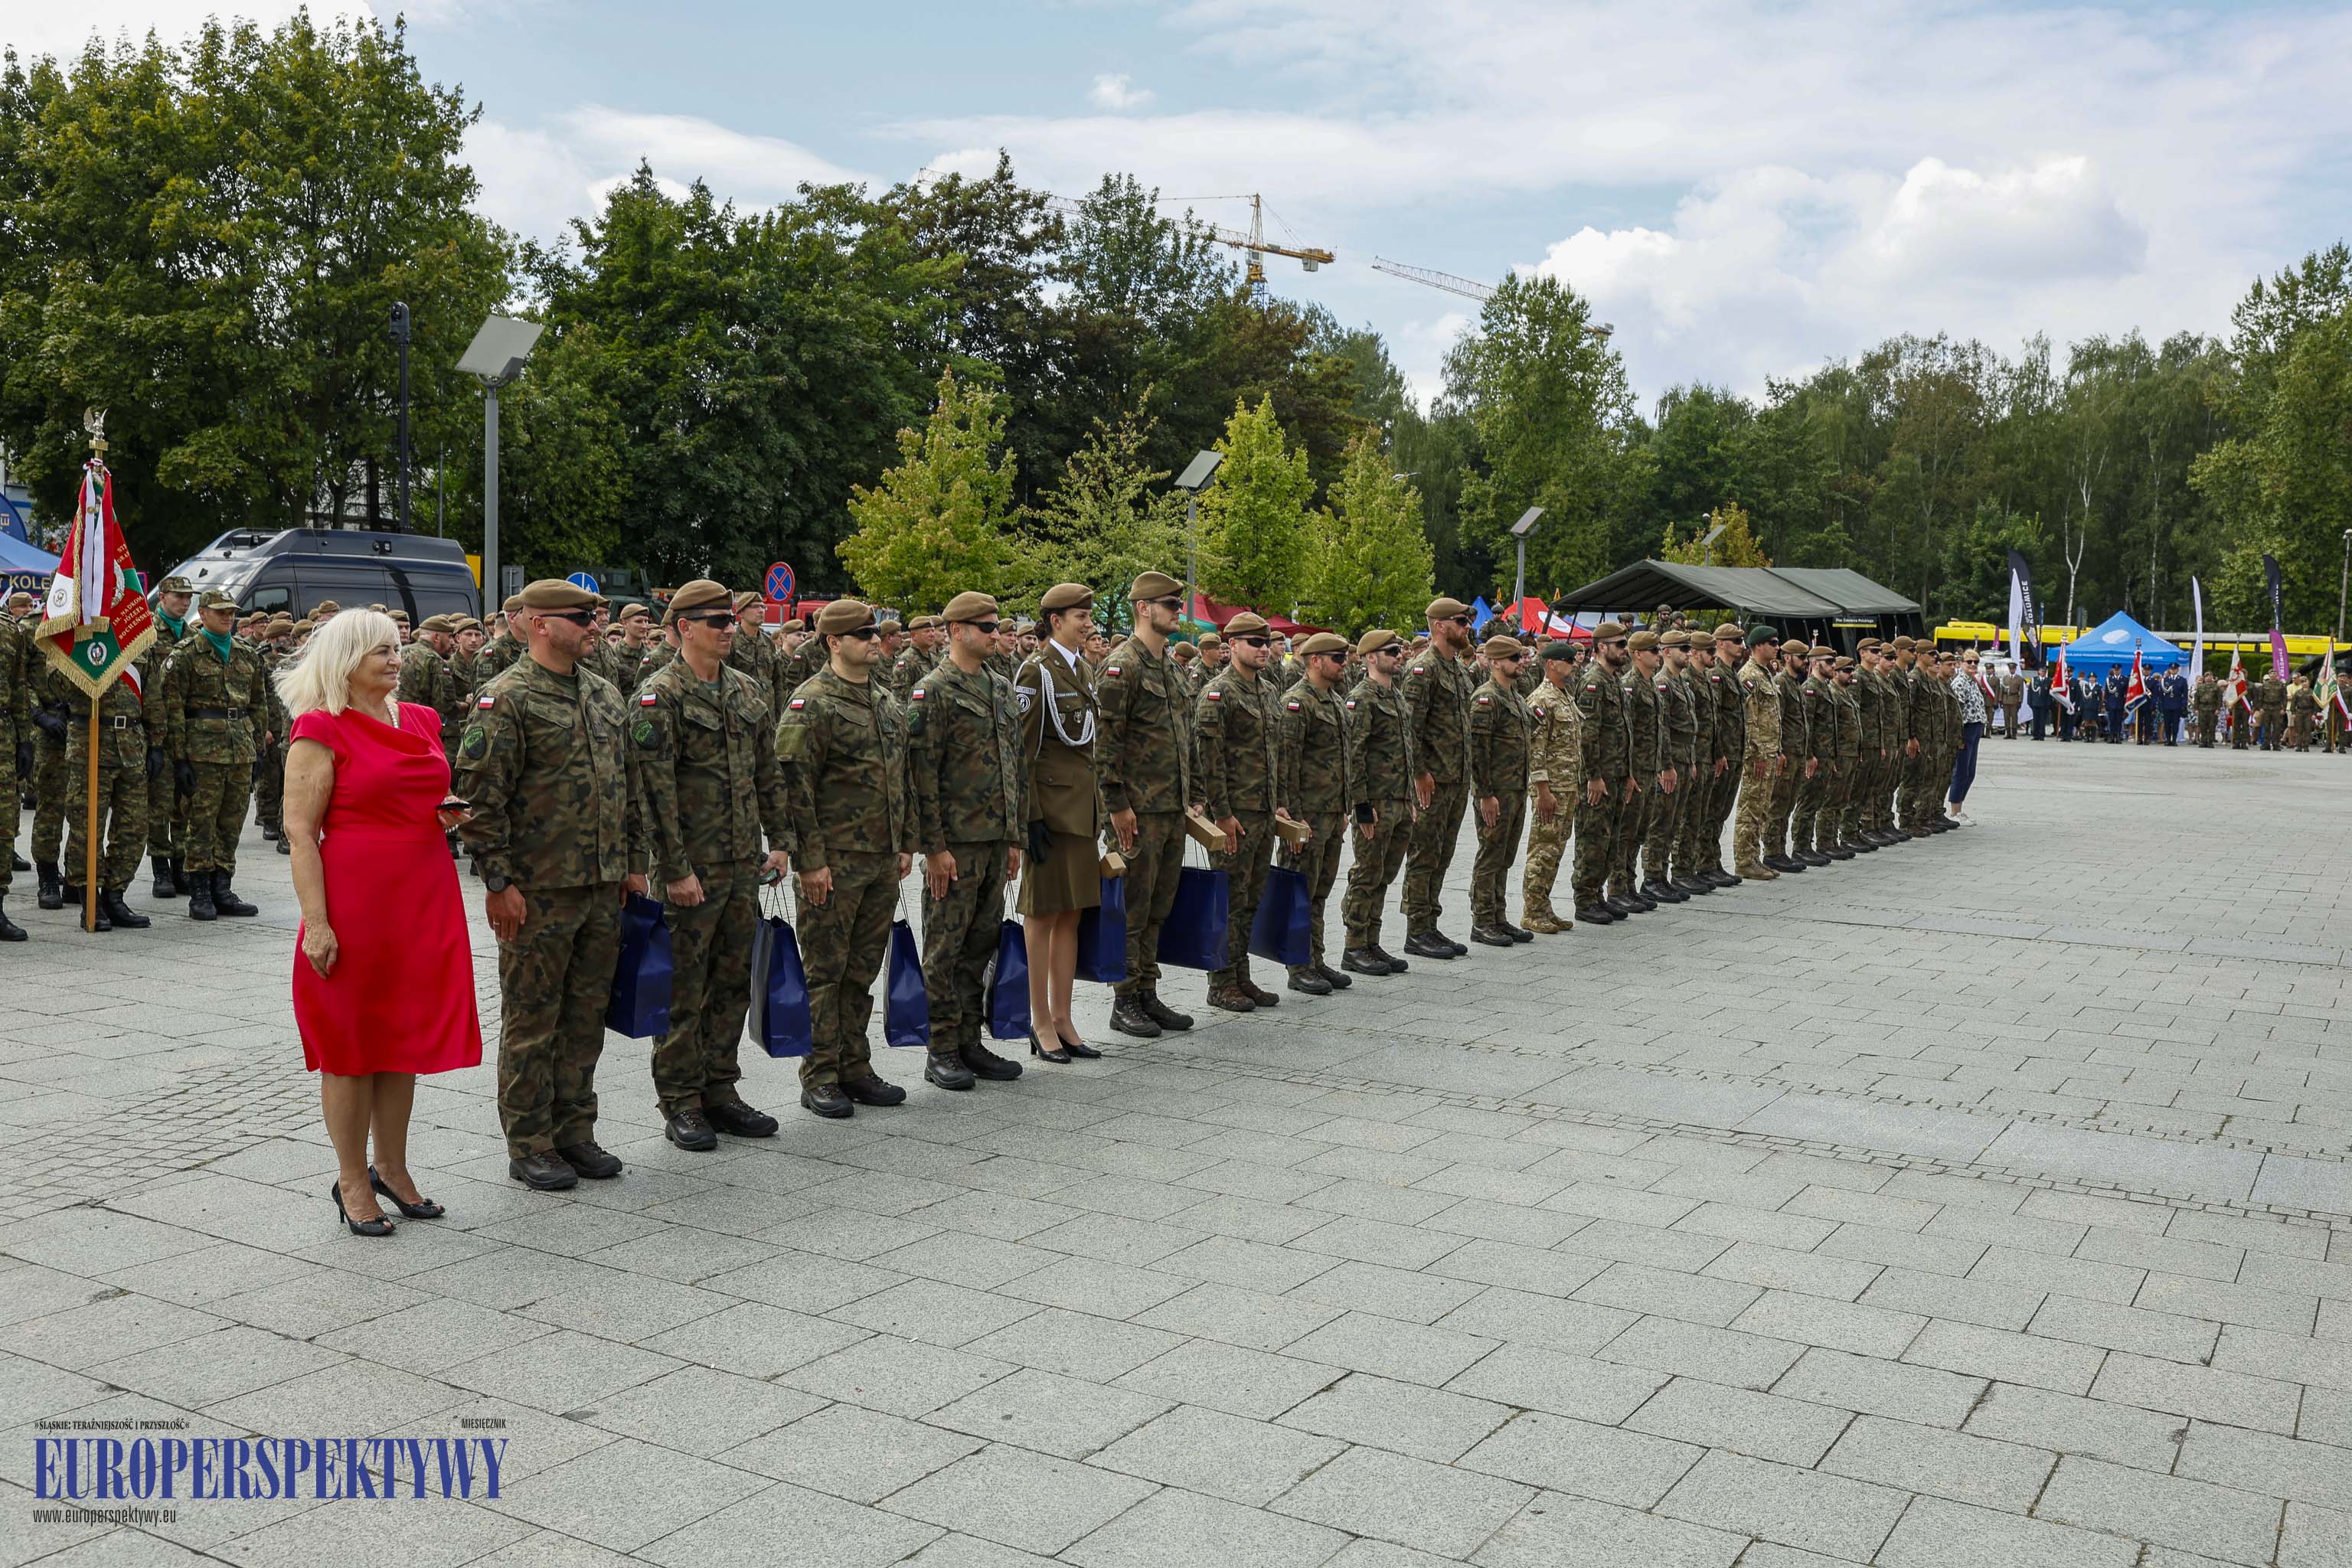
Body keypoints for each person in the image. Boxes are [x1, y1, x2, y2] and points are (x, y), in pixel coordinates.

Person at [282, 608, 482, 1236]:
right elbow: (299, 830)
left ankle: (391, 1169)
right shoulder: (320, 728)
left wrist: (448, 813)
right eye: (380, 653)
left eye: (396, 649)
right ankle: (350, 1180)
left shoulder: (421, 718)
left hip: (423, 893)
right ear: (348, 661)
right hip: (354, 898)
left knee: (403, 1041)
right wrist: (317, 922)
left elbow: (423, 793)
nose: (395, 660)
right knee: (350, 1047)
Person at [456, 580, 643, 1189]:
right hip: (537, 891)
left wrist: (630, 863)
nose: (593, 624)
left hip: (599, 884)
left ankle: (575, 1131)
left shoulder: (605, 694)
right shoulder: (505, 697)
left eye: (594, 616)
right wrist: (498, 882)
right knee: (534, 1018)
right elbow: (480, 802)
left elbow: (626, 788)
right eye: (579, 616)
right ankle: (530, 1140)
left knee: (586, 1016)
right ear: (539, 624)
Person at [635, 580, 793, 1148]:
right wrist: (674, 869)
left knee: (731, 982)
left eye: (730, 620)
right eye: (715, 622)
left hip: (740, 863)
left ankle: (719, 1089)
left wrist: (780, 839)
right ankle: (680, 1099)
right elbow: (654, 794)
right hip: (690, 867)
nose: (729, 629)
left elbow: (768, 770)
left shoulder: (747, 690)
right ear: (683, 628)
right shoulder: (660, 695)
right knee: (684, 987)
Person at [779, 597, 916, 1109]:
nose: (874, 642)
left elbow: (904, 778)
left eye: (875, 633)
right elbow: (796, 788)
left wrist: (906, 843)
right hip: (833, 861)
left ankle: (855, 1065)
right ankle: (820, 1072)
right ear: (834, 642)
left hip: (880, 858)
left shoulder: (884, 700)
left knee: (861, 971)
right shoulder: (811, 701)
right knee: (825, 971)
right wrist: (810, 860)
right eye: (862, 635)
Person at [908, 591, 1026, 1089]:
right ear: (956, 630)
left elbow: (1012, 766)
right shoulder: (932, 691)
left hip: (994, 841)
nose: (995, 634)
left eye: (996, 625)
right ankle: (941, 1049)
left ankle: (969, 1041)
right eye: (985, 626)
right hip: (953, 846)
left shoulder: (1000, 687)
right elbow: (921, 775)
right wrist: (933, 848)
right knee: (944, 948)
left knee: (981, 942)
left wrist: (1014, 838)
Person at [1094, 572, 1199, 1040]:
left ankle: (1147, 991)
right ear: (1143, 609)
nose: (1179, 612)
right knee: (1133, 907)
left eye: (1179, 605)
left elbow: (1183, 737)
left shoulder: (1172, 668)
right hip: (1136, 810)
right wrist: (1116, 806)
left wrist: (1193, 798)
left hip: (1170, 808)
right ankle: (1124, 998)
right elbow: (1106, 744)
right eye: (1170, 606)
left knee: (1160, 905)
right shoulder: (1122, 666)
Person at [1011, 584, 1099, 1060]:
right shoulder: (1035, 672)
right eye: (1079, 616)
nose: (1088, 623)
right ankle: (1039, 1020)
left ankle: (1064, 1018)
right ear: (1054, 621)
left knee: (1072, 914)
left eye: (1088, 615)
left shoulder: (1083, 669)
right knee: (1041, 916)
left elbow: (1088, 749)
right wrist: (1029, 818)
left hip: (1081, 812)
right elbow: (1023, 753)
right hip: (1049, 812)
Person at [1194, 610, 1295, 1011]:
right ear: (1231, 646)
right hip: (1234, 813)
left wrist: (1281, 802)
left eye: (1266, 642)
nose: (1264, 650)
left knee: (1252, 897)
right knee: (1229, 899)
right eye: (1254, 643)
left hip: (1263, 811)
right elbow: (1208, 756)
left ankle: (1240, 973)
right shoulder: (1219, 693)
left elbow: (1277, 753)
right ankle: (1220, 981)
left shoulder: (1268, 692)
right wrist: (1220, 812)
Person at [165, 589, 271, 920]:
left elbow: (258, 703)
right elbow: (173, 710)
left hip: (239, 748)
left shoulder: (246, 653)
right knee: (201, 822)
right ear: (204, 613)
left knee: (232, 821)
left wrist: (258, 747)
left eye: (232, 612)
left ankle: (222, 886)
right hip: (201, 753)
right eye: (221, 611)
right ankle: (199, 888)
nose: (228, 617)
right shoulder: (185, 654)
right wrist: (179, 759)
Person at [1276, 630, 1358, 989]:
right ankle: (1298, 966)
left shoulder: (1335, 701)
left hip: (1331, 813)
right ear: (1314, 661)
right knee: (1300, 892)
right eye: (1337, 659)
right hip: (1306, 814)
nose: (1344, 664)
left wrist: (1344, 807)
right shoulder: (1297, 703)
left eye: (1344, 658)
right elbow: (1286, 763)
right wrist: (1293, 817)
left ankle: (1316, 958)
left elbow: (1343, 760)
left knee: (1321, 890)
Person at [1400, 597, 1475, 959]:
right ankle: (1417, 929)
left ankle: (1430, 923)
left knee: (1443, 854)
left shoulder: (1459, 670)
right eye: (1461, 621)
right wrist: (1419, 773)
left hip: (1456, 778)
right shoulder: (1423, 669)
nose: (1467, 627)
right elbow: (1410, 727)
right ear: (1440, 626)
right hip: (1432, 779)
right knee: (1424, 854)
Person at [58, 647, 154, 933]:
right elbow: (53, 686)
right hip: (90, 745)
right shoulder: (75, 643)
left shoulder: (135, 643)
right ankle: (90, 898)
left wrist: (158, 743)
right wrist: (79, 657)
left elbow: (154, 697)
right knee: (87, 828)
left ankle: (115, 894)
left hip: (131, 746)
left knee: (134, 827)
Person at [1339, 629, 1416, 974]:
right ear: (1371, 657)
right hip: (1375, 803)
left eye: (1399, 650)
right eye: (1390, 651)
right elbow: (1353, 756)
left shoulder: (1396, 697)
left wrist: (1409, 797)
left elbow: (1407, 751)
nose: (1398, 655)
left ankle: (1372, 941)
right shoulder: (1362, 699)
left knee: (1384, 874)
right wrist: (1360, 806)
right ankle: (1354, 945)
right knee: (1367, 873)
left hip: (1399, 800)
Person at [1465, 635, 1534, 946]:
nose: (1520, 664)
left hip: (1516, 788)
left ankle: (1498, 916)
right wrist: (1484, 795)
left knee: (1505, 856)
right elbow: (1478, 751)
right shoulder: (1486, 698)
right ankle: (1482, 920)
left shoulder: (1516, 697)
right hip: (1496, 792)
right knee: (1490, 854)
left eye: (1520, 658)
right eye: (1513, 659)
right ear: (1495, 663)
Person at [1571, 622, 1634, 922]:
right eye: (1619, 645)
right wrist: (1593, 776)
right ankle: (1584, 899)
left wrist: (1628, 773)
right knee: (1592, 838)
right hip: (1599, 777)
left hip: (1617, 775)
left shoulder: (1614, 681)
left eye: (1625, 644)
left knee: (1610, 839)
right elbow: (1588, 735)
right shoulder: (1593, 683)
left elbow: (1623, 733)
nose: (1625, 650)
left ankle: (1597, 893)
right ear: (1601, 648)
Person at [1521, 641, 1582, 933]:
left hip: (1568, 786)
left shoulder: (1565, 696)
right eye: (1567, 661)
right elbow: (1537, 749)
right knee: (1543, 850)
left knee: (1556, 850)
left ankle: (1543, 905)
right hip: (1551, 789)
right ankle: (1531, 911)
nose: (1573, 665)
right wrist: (1543, 790)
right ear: (1551, 664)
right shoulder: (1541, 700)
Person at [142, 574, 194, 897]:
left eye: (188, 597)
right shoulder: (146, 632)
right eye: (178, 596)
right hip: (157, 729)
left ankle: (181, 866)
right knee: (159, 803)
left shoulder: (193, 636)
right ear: (162, 597)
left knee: (185, 801)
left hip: (187, 731)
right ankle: (161, 867)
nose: (185, 602)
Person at [1638, 630, 1696, 903]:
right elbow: (1663, 729)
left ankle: (1662, 875)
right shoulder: (1663, 683)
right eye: (1683, 648)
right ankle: (1652, 877)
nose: (1688, 652)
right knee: (1660, 822)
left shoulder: (1681, 682)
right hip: (1670, 759)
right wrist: (1666, 765)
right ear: (1667, 652)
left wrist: (1691, 760)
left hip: (1684, 756)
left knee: (1673, 821)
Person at [1732, 634, 1784, 880]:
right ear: (1758, 646)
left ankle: (1754, 857)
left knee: (1762, 807)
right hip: (1758, 755)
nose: (1777, 647)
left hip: (1770, 751)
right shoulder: (1750, 675)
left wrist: (1778, 750)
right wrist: (1756, 754)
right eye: (1772, 643)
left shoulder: (1766, 674)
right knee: (1750, 807)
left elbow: (1772, 718)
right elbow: (1749, 720)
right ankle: (1744, 860)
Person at [1948, 649, 1988, 825]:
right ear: (1961, 664)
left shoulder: (1973, 682)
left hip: (1976, 728)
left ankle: (1960, 808)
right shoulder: (1960, 683)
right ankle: (1954, 810)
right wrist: (1959, 736)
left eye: (1976, 662)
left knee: (1970, 772)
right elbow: (1956, 712)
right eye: (1969, 662)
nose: (1972, 665)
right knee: (1961, 772)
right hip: (1965, 729)